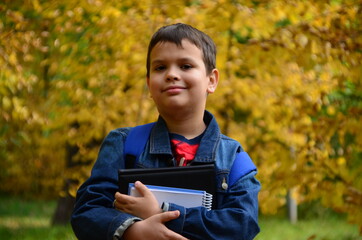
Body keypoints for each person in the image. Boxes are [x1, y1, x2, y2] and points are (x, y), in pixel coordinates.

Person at [71, 23, 260, 240]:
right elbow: (87, 212)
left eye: (186, 66)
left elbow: (242, 226)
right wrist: (133, 231)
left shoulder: (234, 158)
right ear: (149, 83)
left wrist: (161, 212)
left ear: (211, 80)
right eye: (160, 68)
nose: (171, 74)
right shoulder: (123, 144)